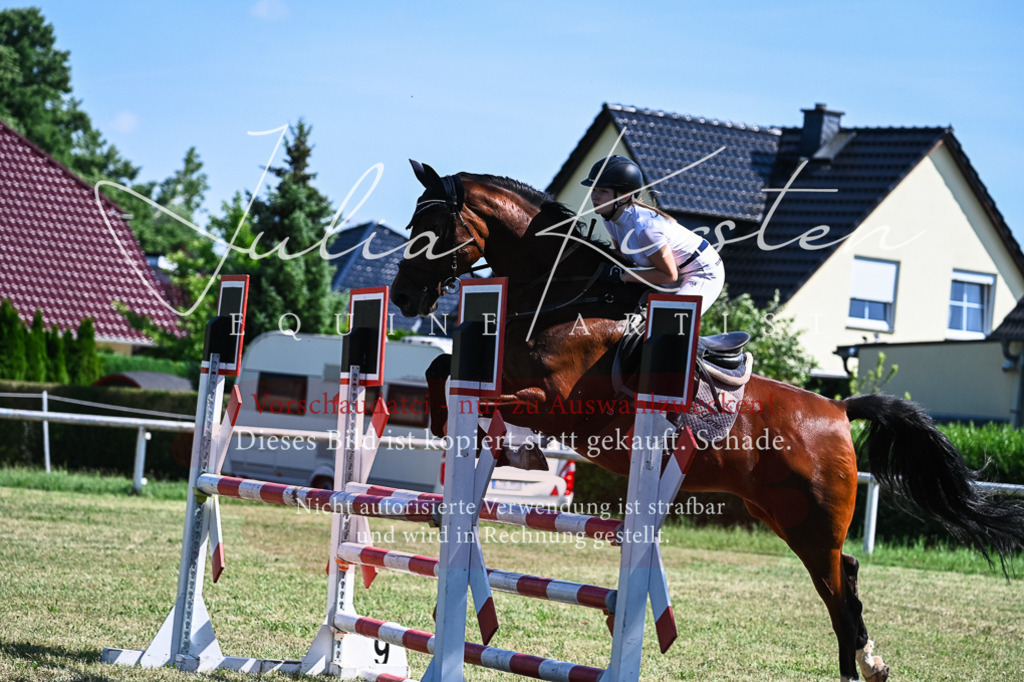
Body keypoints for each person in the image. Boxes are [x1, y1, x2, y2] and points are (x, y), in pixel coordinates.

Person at [582, 155, 724, 312]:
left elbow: (669, 275)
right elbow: (622, 255)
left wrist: (622, 276)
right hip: (670, 273)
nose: (594, 196)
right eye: (594, 189)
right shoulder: (609, 219)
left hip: (700, 271)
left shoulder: (645, 229)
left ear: (625, 196)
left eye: (603, 191)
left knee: (670, 321)